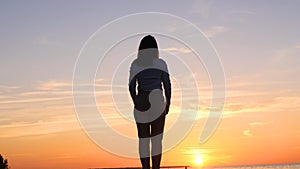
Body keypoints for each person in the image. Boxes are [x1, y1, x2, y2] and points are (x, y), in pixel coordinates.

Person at [129, 35, 171, 169]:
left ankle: (146, 168)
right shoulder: (161, 63)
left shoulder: (136, 64)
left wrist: (136, 100)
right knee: (157, 140)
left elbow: (131, 86)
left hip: (142, 100)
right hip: (157, 101)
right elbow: (167, 85)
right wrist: (168, 102)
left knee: (143, 140)